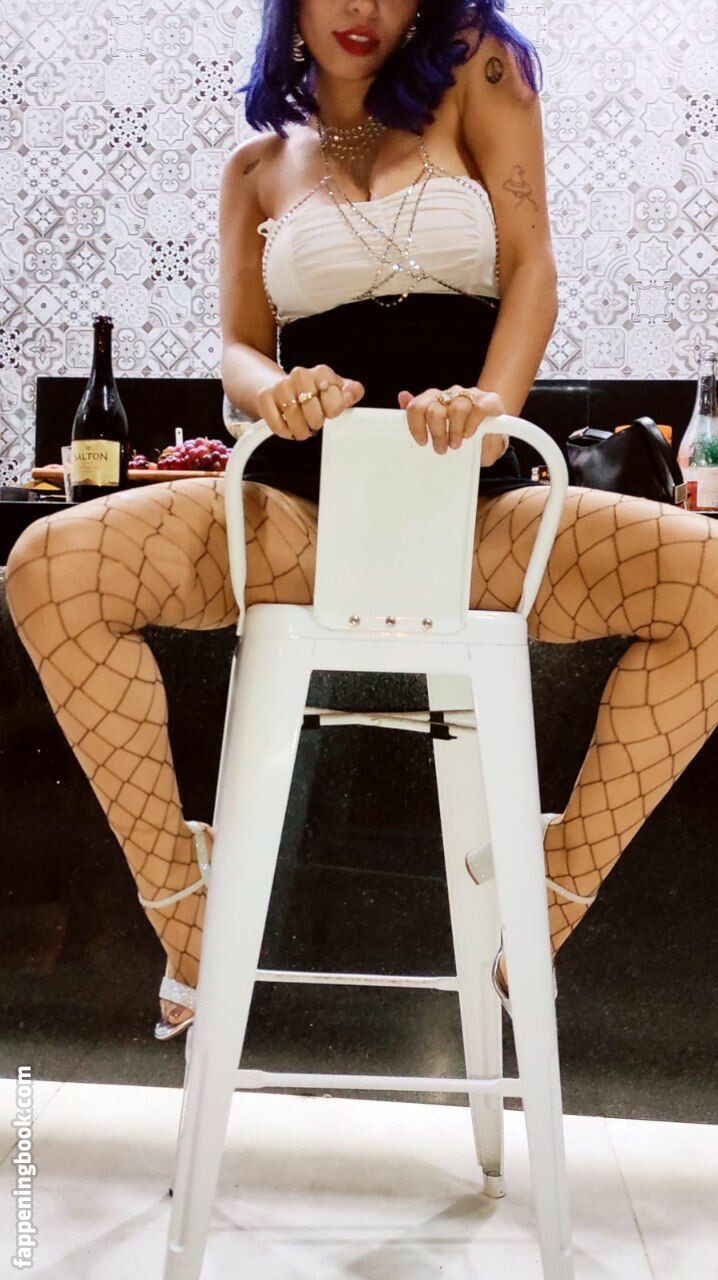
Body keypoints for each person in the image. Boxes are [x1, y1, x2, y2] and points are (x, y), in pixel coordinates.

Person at [6, 0, 718, 1040]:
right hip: (298, 515)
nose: (363, 7)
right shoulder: (256, 166)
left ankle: (547, 895)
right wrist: (276, 390)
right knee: (45, 566)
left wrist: (490, 409)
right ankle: (184, 905)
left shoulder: (479, 71)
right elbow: (238, 346)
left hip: (475, 518)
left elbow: (532, 265)